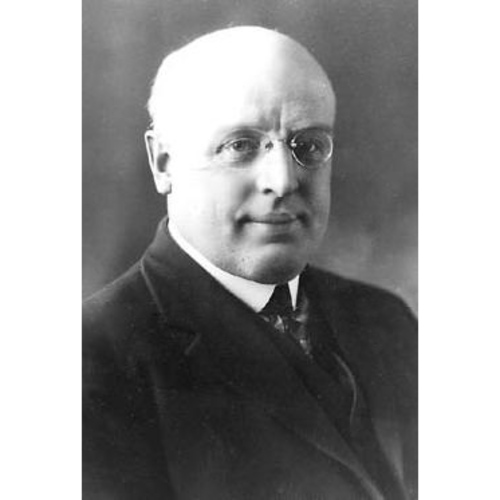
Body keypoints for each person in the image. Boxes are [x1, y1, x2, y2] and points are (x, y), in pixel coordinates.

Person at [83, 26, 417, 500]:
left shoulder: (386, 320)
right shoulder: (90, 361)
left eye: (309, 145)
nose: (283, 181)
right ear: (163, 162)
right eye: (240, 145)